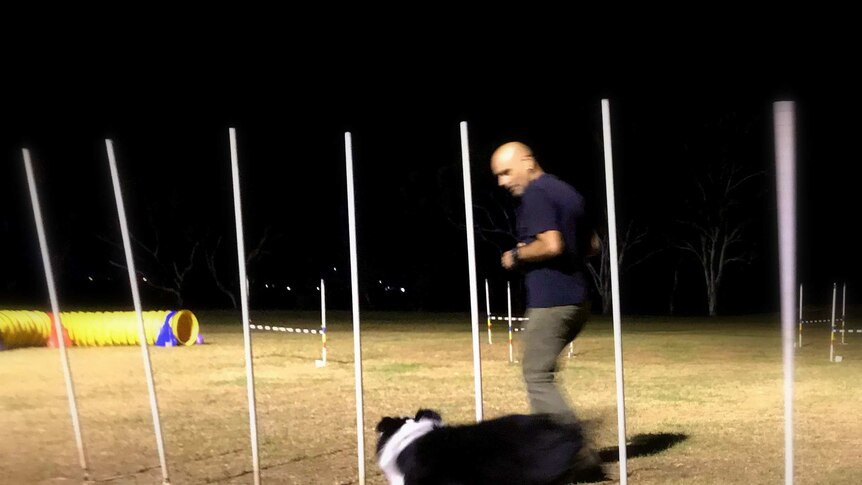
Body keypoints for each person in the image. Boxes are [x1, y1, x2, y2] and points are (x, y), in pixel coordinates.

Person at [490, 141, 597, 418]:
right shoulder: (566, 192)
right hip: (578, 301)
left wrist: (517, 254)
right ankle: (558, 445)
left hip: (552, 303)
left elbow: (551, 245)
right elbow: (594, 245)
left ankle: (571, 451)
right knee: (541, 372)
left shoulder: (536, 193)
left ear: (528, 161)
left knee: (536, 375)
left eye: (506, 172)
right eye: (498, 176)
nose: (502, 182)